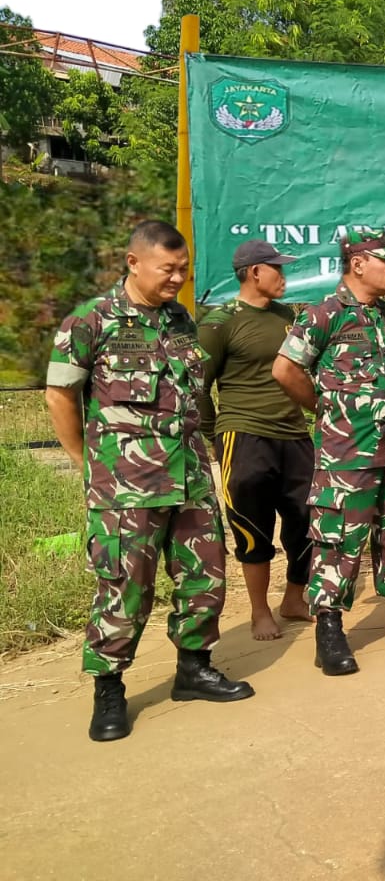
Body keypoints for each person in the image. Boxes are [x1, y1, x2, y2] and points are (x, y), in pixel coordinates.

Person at [45, 220, 254, 742]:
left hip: (190, 478)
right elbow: (59, 396)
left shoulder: (181, 320)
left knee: (203, 577)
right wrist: (86, 462)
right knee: (125, 587)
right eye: (168, 268)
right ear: (133, 262)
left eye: (183, 269)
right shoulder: (91, 321)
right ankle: (110, 689)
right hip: (126, 486)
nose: (178, 278)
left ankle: (194, 668)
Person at [273, 229, 385, 676]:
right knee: (338, 541)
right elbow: (286, 369)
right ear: (357, 264)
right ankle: (329, 631)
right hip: (345, 456)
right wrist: (324, 408)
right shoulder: (323, 315)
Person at [197, 239, 313, 642]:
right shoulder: (219, 322)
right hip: (244, 435)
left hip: (294, 434)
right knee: (252, 525)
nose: (284, 276)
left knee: (307, 520)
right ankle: (260, 611)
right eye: (277, 269)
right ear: (254, 272)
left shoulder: (287, 315)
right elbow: (199, 386)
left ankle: (294, 598)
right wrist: (217, 436)